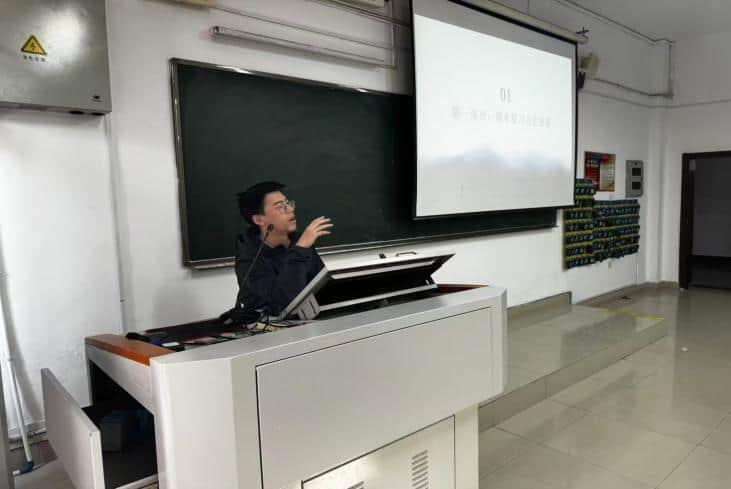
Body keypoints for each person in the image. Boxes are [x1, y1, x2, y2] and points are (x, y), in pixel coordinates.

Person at [228, 181, 333, 324]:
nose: (290, 209)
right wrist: (300, 250)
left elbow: (321, 287)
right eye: (280, 207)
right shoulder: (249, 259)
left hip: (314, 320)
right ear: (259, 219)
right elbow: (279, 306)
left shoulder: (298, 242)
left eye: (288, 203)